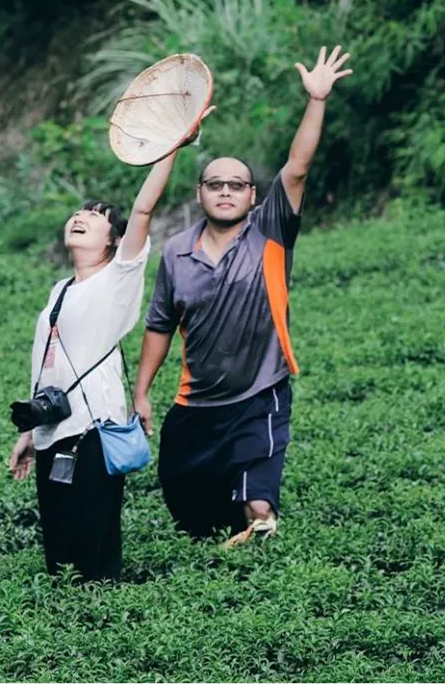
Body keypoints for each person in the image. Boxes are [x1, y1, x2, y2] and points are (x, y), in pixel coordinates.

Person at [132, 46, 353, 547]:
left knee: (257, 493)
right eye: (216, 184)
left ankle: (261, 521)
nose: (226, 191)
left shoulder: (271, 232)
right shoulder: (176, 253)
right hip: (198, 400)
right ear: (200, 194)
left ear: (253, 196)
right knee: (186, 504)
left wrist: (316, 100)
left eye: (238, 184)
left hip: (261, 391)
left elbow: (296, 168)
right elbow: (160, 326)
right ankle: (227, 536)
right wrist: (142, 392)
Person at [6, 111, 205, 582]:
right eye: (80, 213)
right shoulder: (59, 290)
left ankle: (103, 627)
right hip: (54, 431)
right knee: (58, 555)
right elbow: (48, 366)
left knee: (94, 554)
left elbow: (142, 211)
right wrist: (30, 431)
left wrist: (170, 147)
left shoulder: (118, 279)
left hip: (93, 432)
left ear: (114, 242)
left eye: (96, 217)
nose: (82, 218)